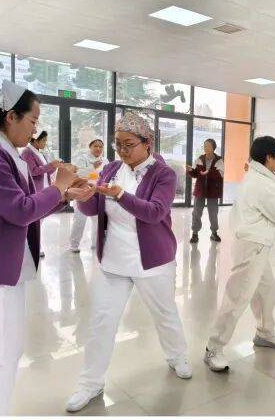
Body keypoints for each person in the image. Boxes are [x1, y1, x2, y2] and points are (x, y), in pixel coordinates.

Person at [66, 110, 192, 413]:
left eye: (128, 144)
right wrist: (84, 196)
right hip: (114, 260)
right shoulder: (111, 169)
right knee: (101, 321)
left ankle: (177, 356)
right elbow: (94, 210)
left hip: (153, 261)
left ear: (147, 143)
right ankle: (90, 383)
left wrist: (121, 194)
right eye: (118, 144)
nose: (121, 151)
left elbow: (155, 213)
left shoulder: (164, 173)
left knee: (164, 313)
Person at [0, 80, 91, 416]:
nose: (35, 129)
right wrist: (58, 186)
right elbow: (19, 210)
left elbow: (27, 208)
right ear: (11, 117)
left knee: (9, 351)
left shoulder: (9, 153)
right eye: (33, 120)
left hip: (12, 268)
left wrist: (65, 195)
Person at [203, 136, 275, 372]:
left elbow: (271, 200)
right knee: (237, 298)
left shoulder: (259, 177)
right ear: (269, 157)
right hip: (253, 246)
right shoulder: (261, 183)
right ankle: (213, 348)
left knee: (266, 291)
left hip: (258, 244)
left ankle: (265, 332)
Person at [22, 130, 72, 258]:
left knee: (40, 220)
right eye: (43, 140)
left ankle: (34, 245)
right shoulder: (27, 152)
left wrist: (55, 167)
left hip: (44, 187)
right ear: (35, 140)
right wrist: (51, 165)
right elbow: (33, 171)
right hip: (36, 189)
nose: (45, 143)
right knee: (36, 221)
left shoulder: (39, 153)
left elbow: (46, 172)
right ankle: (33, 246)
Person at [69, 139, 107, 252]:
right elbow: (77, 173)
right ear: (90, 147)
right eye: (95, 146)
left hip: (98, 192)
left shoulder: (105, 160)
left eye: (100, 146)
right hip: (83, 191)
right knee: (80, 219)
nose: (98, 148)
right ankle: (74, 245)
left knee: (97, 219)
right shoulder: (82, 158)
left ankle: (95, 244)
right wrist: (92, 167)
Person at [186, 138, 225, 243]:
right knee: (196, 212)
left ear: (213, 148)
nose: (205, 148)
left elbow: (220, 175)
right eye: (204, 146)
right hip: (200, 190)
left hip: (213, 191)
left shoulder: (219, 160)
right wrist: (190, 170)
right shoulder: (199, 159)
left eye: (208, 146)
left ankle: (214, 233)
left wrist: (208, 172)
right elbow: (195, 174)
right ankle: (195, 233)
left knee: (213, 213)